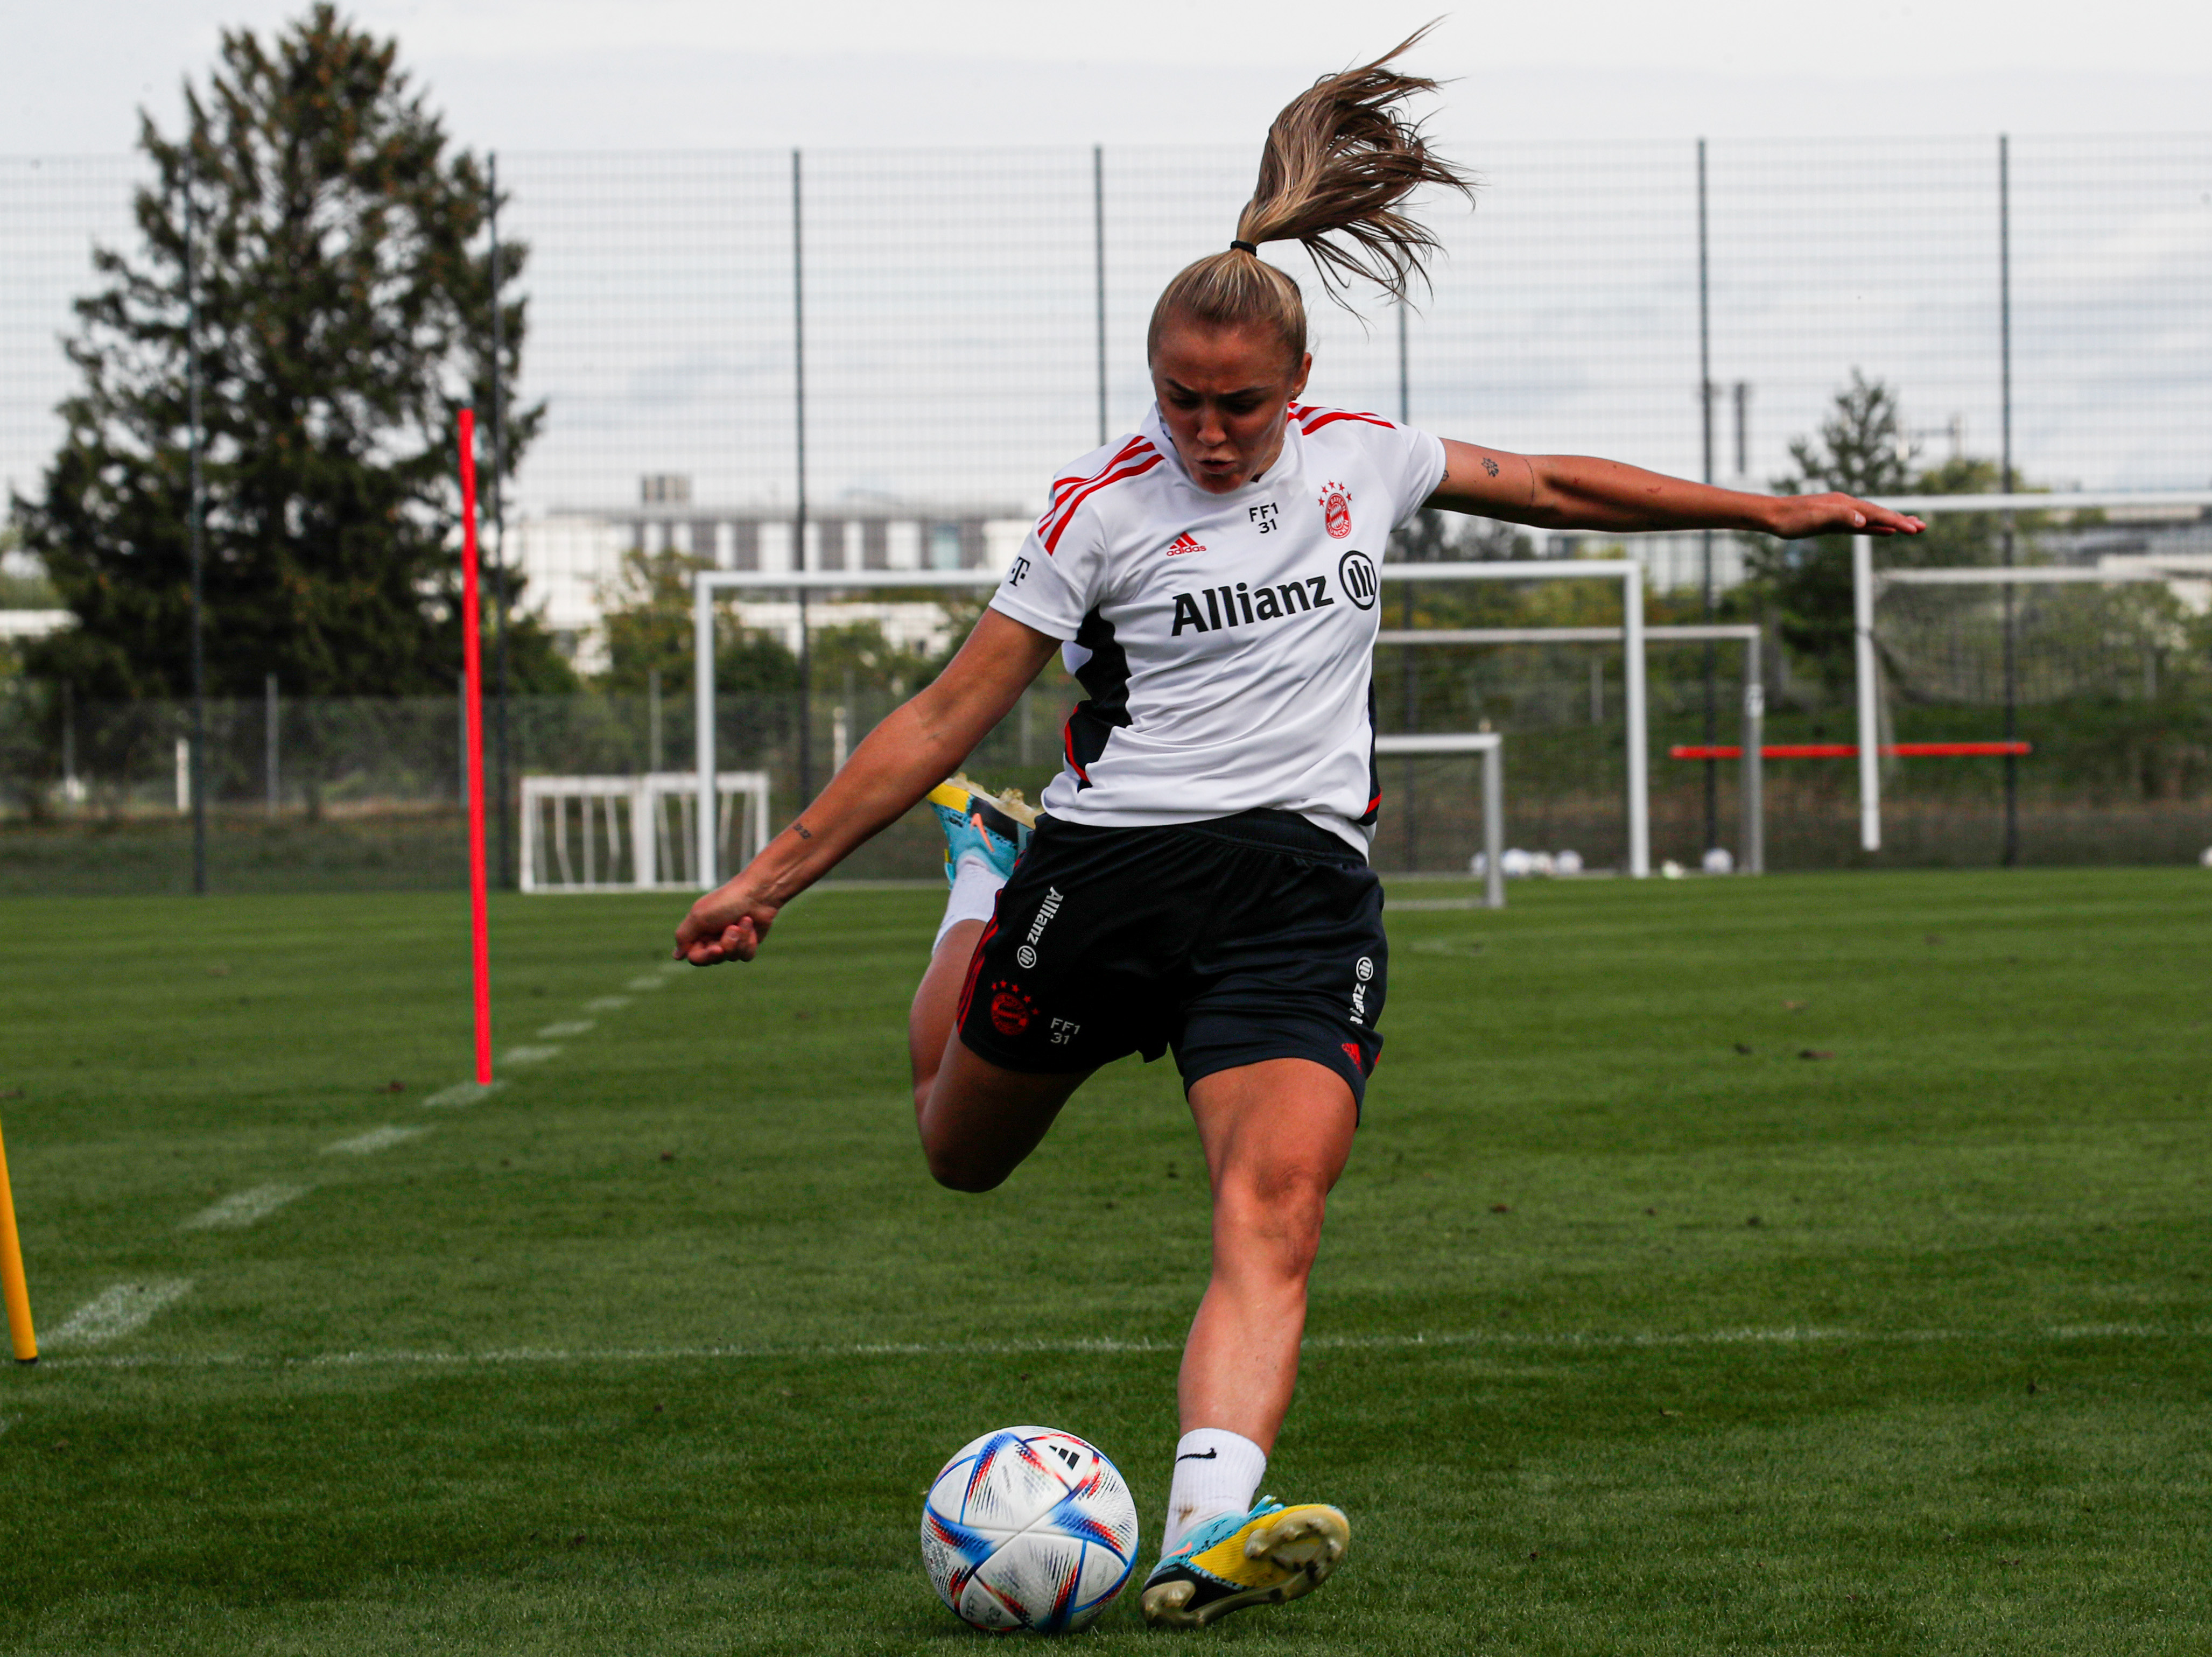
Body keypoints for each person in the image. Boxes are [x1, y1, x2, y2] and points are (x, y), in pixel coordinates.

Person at [670, 32, 1922, 1628]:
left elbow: (1548, 480)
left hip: (1297, 890)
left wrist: (1768, 513)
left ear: (1299, 390)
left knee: (1275, 1204)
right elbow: (939, 718)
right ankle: (979, 881)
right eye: (1183, 400)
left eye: (1240, 405)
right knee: (956, 1154)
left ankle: (1208, 1529)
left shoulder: (1363, 459)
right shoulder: (1098, 515)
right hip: (1107, 873)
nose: (1210, 432)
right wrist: (768, 884)